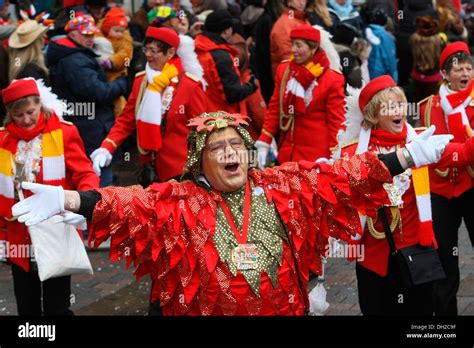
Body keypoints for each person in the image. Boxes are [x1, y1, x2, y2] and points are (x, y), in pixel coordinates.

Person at [11, 110, 452, 315]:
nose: (230, 153)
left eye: (237, 145)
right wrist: (69, 200)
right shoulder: (179, 198)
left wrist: (409, 156)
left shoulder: (285, 185)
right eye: (218, 147)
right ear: (200, 161)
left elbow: (345, 176)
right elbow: (128, 202)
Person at [334, 75, 473, 315]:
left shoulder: (420, 141)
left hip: (417, 254)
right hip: (374, 260)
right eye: (390, 106)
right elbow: (352, 182)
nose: (399, 110)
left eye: (400, 104)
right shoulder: (352, 152)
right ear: (373, 115)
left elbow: (461, 154)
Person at [0, 78, 99, 315]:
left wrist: (82, 204)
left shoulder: (64, 132)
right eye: (18, 115)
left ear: (40, 104)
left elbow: (85, 173)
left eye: (30, 112)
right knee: (27, 307)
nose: (25, 120)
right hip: (18, 235)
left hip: (56, 229)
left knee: (58, 307)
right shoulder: (3, 139)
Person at [89, 26, 206, 184]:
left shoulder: (189, 85)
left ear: (170, 53)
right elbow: (126, 120)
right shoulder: (141, 81)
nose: (148, 55)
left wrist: (203, 171)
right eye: (146, 49)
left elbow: (202, 131)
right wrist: (107, 147)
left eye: (154, 51)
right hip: (150, 170)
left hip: (182, 172)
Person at [419, 42, 474, 315]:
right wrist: (465, 151)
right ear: (444, 74)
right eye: (458, 68)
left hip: (471, 188)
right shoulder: (429, 107)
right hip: (439, 192)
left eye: (468, 67)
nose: (465, 73)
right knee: (444, 261)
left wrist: (454, 153)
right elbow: (432, 151)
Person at [46, 13, 128, 187]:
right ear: (72, 34)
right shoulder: (75, 60)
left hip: (88, 124)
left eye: (92, 34)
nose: (90, 38)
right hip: (90, 129)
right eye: (85, 34)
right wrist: (121, 83)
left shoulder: (74, 53)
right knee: (98, 178)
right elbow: (98, 92)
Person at [256, 25, 345, 167]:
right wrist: (264, 141)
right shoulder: (284, 70)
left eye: (299, 45)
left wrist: (335, 156)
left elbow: (336, 122)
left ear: (313, 48)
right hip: (287, 153)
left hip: (316, 157)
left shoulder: (332, 79)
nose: (293, 50)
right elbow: (275, 108)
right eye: (292, 44)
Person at [194, 9, 258, 114]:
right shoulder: (220, 56)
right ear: (225, 31)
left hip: (201, 115)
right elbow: (232, 94)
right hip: (222, 119)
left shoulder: (196, 48)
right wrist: (251, 85)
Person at [94, 7, 133, 116]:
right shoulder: (97, 36)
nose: (120, 34)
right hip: (99, 74)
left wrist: (112, 61)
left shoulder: (125, 41)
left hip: (116, 74)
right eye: (116, 31)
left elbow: (126, 55)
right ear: (107, 28)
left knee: (118, 101)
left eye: (122, 31)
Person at [269, 0, 309, 77]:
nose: (301, 3)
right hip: (290, 77)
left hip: (303, 72)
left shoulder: (303, 19)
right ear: (288, 2)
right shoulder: (284, 24)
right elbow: (288, 56)